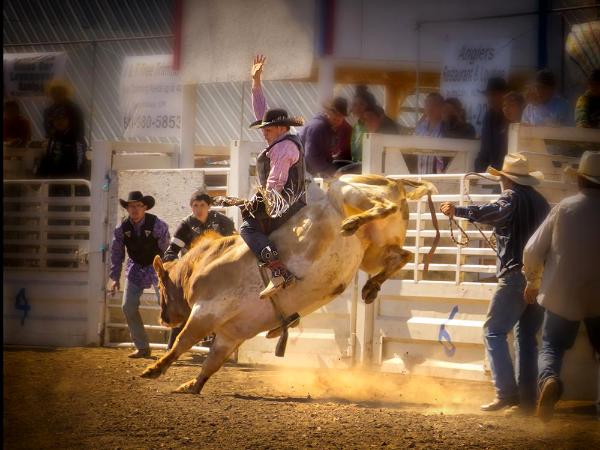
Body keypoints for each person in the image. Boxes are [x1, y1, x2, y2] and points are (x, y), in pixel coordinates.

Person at [440, 154, 550, 413]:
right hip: (540, 277)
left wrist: (460, 211)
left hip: (515, 275)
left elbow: (496, 212)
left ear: (506, 178)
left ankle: (506, 393)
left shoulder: (511, 198)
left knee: (493, 330)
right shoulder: (541, 202)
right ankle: (526, 398)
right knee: (526, 336)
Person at [522, 151, 600, 422]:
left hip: (561, 292)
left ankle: (549, 380)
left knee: (552, 345)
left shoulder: (565, 208)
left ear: (580, 180)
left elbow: (533, 249)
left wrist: (532, 279)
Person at [242, 54, 306, 299]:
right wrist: (256, 82)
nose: (264, 133)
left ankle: (278, 272)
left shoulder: (282, 148)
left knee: (248, 228)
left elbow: (276, 182)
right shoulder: (287, 139)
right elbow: (262, 113)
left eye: (267, 129)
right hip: (293, 199)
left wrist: (261, 202)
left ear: (280, 128)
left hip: (283, 202)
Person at [163, 190, 236, 350]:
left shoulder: (223, 222)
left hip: (218, 271)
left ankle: (219, 346)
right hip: (193, 274)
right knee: (183, 308)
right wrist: (170, 266)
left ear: (209, 206)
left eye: (202, 205)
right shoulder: (186, 224)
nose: (198, 209)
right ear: (191, 207)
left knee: (222, 306)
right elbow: (172, 250)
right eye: (195, 205)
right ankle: (172, 348)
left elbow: (235, 244)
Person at [109, 191, 170, 358]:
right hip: (135, 266)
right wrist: (114, 277)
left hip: (157, 266)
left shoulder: (158, 225)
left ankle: (173, 348)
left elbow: (167, 250)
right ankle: (142, 347)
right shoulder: (122, 228)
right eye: (131, 206)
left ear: (145, 207)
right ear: (127, 208)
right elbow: (116, 253)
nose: (134, 209)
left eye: (138, 206)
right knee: (127, 306)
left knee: (168, 305)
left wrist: (168, 272)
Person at [39, 79, 87, 177]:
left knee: (75, 175)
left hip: (74, 145)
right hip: (55, 146)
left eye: (59, 92)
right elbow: (48, 131)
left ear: (65, 93)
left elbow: (80, 132)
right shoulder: (49, 111)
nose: (56, 95)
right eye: (54, 93)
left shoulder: (74, 109)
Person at [299, 96, 348, 177]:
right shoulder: (318, 127)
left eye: (341, 115)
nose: (338, 117)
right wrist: (330, 172)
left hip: (309, 172)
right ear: (327, 111)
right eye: (335, 113)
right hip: (303, 173)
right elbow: (311, 157)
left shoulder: (329, 128)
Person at [474, 77, 509, 172]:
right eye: (488, 95)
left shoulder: (511, 117)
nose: (490, 99)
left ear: (504, 95)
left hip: (509, 172)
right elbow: (484, 149)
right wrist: (478, 171)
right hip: (493, 172)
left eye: (494, 95)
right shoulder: (489, 116)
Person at [415, 92, 445, 174]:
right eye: (427, 104)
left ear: (442, 108)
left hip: (438, 178)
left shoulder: (446, 129)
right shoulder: (420, 127)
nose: (430, 108)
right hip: (419, 175)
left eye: (435, 105)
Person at [350, 85, 377, 164]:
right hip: (357, 162)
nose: (357, 108)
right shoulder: (358, 124)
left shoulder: (370, 121)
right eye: (355, 105)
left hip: (369, 164)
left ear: (369, 106)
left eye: (361, 104)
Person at [330, 98, 353, 163]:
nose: (336, 117)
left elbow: (339, 153)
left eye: (339, 115)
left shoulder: (346, 130)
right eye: (334, 114)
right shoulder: (329, 127)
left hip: (343, 163)